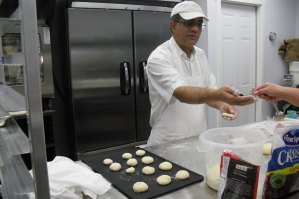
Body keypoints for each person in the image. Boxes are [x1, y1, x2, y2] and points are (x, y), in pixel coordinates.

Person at [146, 1, 255, 146]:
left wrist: (221, 105)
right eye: (189, 23)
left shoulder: (200, 55)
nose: (195, 29)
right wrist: (219, 95)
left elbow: (208, 91)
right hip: (167, 142)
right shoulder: (159, 57)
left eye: (199, 24)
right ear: (173, 26)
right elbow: (183, 94)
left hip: (197, 139)